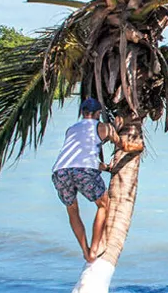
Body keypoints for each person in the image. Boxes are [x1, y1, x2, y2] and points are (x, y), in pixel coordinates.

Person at [50, 98, 135, 262]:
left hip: (60, 171)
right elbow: (124, 146)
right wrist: (137, 147)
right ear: (98, 114)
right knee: (104, 205)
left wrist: (105, 168)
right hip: (83, 170)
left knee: (72, 210)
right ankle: (94, 250)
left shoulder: (71, 129)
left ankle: (85, 250)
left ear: (82, 113)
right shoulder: (103, 127)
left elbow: (79, 157)